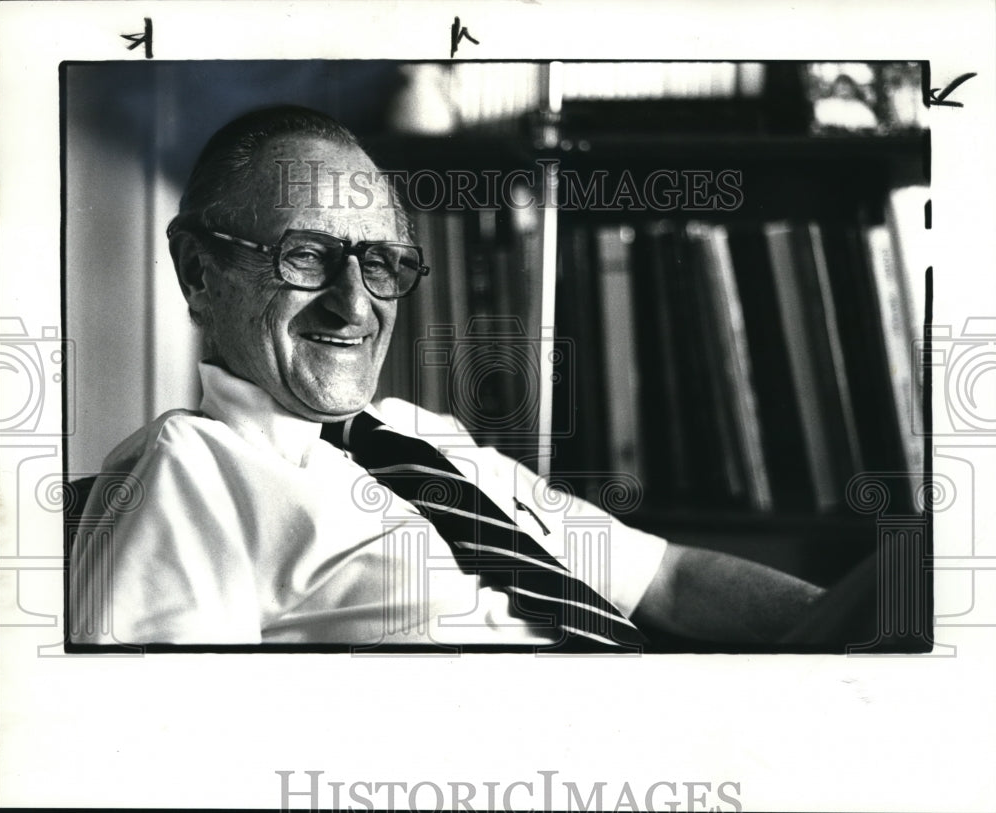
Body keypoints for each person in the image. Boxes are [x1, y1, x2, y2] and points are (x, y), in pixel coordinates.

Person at [69, 105, 825, 649]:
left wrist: (871, 626)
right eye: (306, 255)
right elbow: (161, 753)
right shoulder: (190, 477)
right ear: (198, 271)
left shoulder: (422, 438)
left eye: (380, 262)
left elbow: (670, 580)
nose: (355, 304)